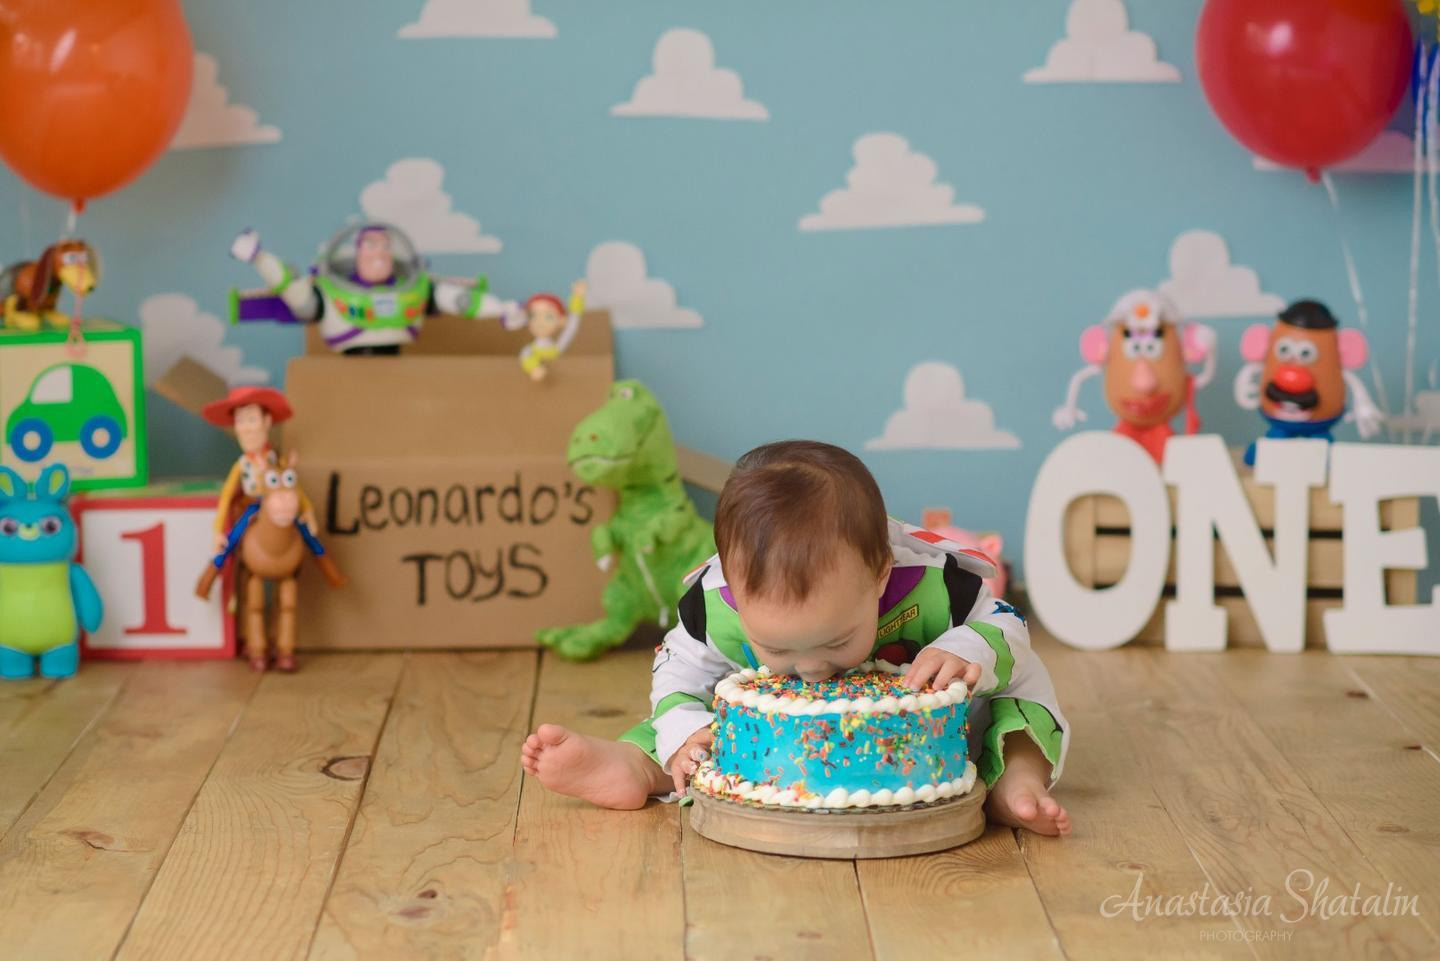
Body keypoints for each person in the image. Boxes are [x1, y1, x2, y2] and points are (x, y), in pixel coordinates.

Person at [522, 440, 1073, 836]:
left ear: (879, 574)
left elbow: (1006, 621)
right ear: (736, 592)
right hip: (773, 753)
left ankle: (1015, 781)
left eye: (837, 641)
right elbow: (676, 673)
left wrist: (967, 647)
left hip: (943, 738)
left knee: (1021, 700)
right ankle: (635, 766)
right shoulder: (712, 609)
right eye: (778, 649)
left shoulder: (931, 586)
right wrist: (683, 732)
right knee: (691, 729)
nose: (812, 670)